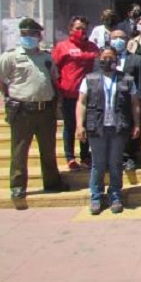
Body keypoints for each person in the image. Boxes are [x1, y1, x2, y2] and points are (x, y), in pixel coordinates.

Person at [0, 18, 68, 201]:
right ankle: (18, 185)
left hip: (45, 110)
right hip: (22, 110)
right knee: (19, 150)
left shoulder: (46, 57)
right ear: (21, 35)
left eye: (33, 34)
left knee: (48, 148)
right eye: (26, 34)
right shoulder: (11, 56)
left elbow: (53, 80)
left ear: (39, 36)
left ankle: (52, 182)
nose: (30, 37)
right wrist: (9, 95)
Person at [76, 46, 140, 215]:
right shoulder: (89, 79)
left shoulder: (126, 79)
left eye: (112, 57)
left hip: (119, 127)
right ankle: (96, 196)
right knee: (98, 163)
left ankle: (115, 195)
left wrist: (137, 124)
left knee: (115, 163)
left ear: (117, 59)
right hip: (96, 127)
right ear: (99, 58)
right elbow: (82, 103)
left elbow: (134, 104)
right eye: (105, 57)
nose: (108, 60)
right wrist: (79, 125)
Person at [52, 15, 99, 170]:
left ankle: (85, 156)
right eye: (77, 28)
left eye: (84, 28)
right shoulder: (62, 47)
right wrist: (58, 92)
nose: (81, 31)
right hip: (69, 94)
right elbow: (54, 70)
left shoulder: (92, 47)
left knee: (86, 125)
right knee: (70, 126)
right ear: (70, 29)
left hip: (90, 94)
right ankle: (70, 157)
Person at [110, 29, 141, 172]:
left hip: (130, 100)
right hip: (110, 100)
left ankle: (130, 156)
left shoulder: (136, 59)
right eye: (115, 37)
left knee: (132, 128)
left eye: (121, 37)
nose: (118, 40)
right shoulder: (104, 58)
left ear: (127, 41)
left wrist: (140, 100)